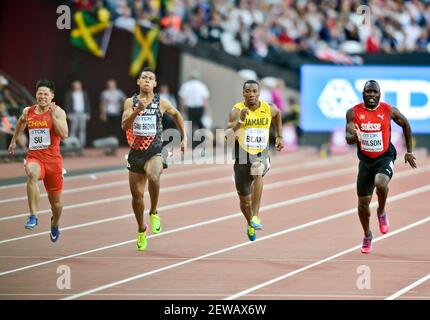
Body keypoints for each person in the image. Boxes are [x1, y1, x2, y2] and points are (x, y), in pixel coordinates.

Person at [345, 80, 417, 254]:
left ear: (379, 94)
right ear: (363, 94)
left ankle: (381, 211)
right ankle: (367, 234)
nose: (371, 95)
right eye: (368, 92)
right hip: (366, 161)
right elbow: (348, 137)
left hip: (385, 156)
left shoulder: (388, 110)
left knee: (381, 183)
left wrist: (409, 151)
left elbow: (406, 124)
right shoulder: (353, 112)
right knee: (362, 204)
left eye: (374, 92)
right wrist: (354, 137)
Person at [122, 68, 187, 251]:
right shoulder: (130, 102)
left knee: (154, 176)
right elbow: (124, 125)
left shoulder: (161, 102)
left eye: (151, 78)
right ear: (138, 82)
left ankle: (154, 211)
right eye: (144, 78)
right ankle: (141, 229)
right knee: (137, 198)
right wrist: (137, 111)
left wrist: (184, 137)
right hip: (135, 153)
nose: (147, 81)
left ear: (155, 84)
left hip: (155, 150)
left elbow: (176, 114)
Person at [8, 79, 68, 242]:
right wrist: (14, 140)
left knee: (56, 205)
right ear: (36, 94)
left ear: (52, 96)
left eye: (45, 94)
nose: (42, 96)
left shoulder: (59, 112)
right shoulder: (29, 111)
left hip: (54, 162)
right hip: (35, 157)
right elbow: (21, 122)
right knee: (32, 175)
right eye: (39, 93)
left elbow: (64, 134)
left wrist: (53, 116)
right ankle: (33, 215)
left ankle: (55, 223)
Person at [226, 79, 284, 241]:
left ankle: (256, 217)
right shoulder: (237, 110)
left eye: (254, 91)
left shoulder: (268, 108)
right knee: (245, 202)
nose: (251, 94)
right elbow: (226, 135)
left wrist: (279, 135)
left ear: (259, 93)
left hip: (261, 153)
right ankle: (250, 222)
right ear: (243, 93)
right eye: (248, 91)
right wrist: (240, 122)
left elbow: (278, 113)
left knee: (258, 169)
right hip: (242, 157)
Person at [64, 80, 91, 148]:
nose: (77, 87)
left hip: (83, 113)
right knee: (73, 129)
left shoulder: (84, 93)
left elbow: (87, 104)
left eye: (78, 85)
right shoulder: (70, 93)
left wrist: (88, 113)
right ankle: (72, 145)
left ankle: (81, 145)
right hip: (73, 113)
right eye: (76, 85)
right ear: (73, 86)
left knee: (82, 130)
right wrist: (68, 114)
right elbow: (67, 104)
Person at [100, 79, 126, 145]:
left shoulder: (119, 92)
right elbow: (103, 104)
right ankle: (108, 144)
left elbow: (125, 99)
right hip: (108, 113)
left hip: (117, 113)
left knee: (116, 129)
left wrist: (122, 107)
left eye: (112, 84)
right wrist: (103, 114)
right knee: (108, 129)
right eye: (110, 84)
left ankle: (116, 143)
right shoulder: (105, 93)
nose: (111, 86)